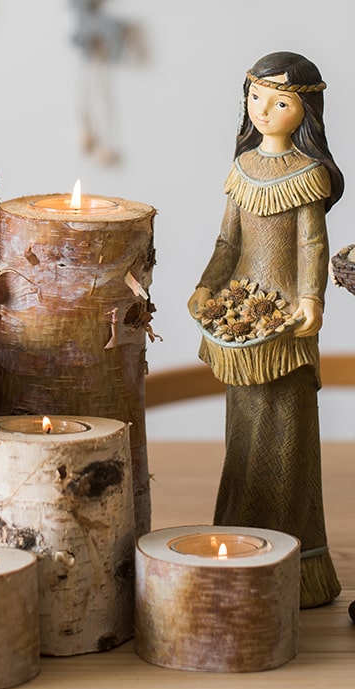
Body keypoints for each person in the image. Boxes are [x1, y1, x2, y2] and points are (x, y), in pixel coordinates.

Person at [187, 51, 344, 607]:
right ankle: (238, 541)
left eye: (280, 101)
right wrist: (208, 286)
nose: (263, 109)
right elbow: (228, 244)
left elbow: (311, 245)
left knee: (288, 434)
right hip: (242, 316)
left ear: (306, 110)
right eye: (256, 97)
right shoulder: (243, 167)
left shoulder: (308, 175)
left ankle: (296, 566)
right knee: (243, 433)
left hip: (286, 323)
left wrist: (311, 299)